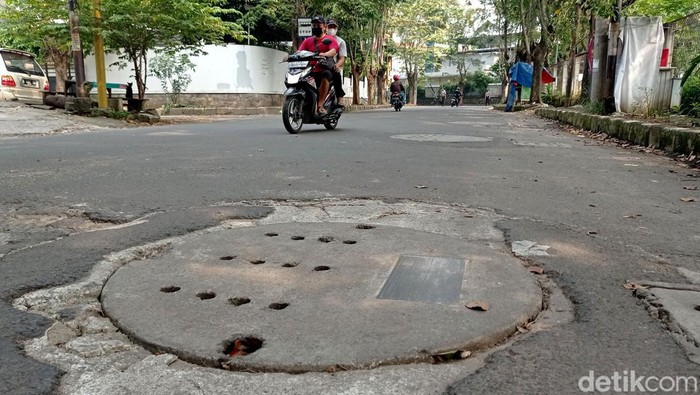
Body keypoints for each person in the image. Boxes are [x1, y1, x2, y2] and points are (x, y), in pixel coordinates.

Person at [298, 16, 338, 115]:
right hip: (310, 69)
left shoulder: (329, 39)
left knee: (326, 75)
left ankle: (320, 105)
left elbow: (333, 50)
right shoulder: (308, 40)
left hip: (322, 68)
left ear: (324, 27)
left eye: (318, 25)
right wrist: (291, 56)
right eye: (314, 25)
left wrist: (325, 54)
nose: (316, 27)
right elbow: (300, 51)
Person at [326, 18, 346, 105]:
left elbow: (342, 57)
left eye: (334, 27)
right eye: (330, 27)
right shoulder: (318, 39)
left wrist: (337, 65)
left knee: (336, 73)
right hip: (318, 64)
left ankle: (339, 96)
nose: (331, 29)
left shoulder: (340, 42)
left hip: (331, 65)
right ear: (325, 28)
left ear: (337, 29)